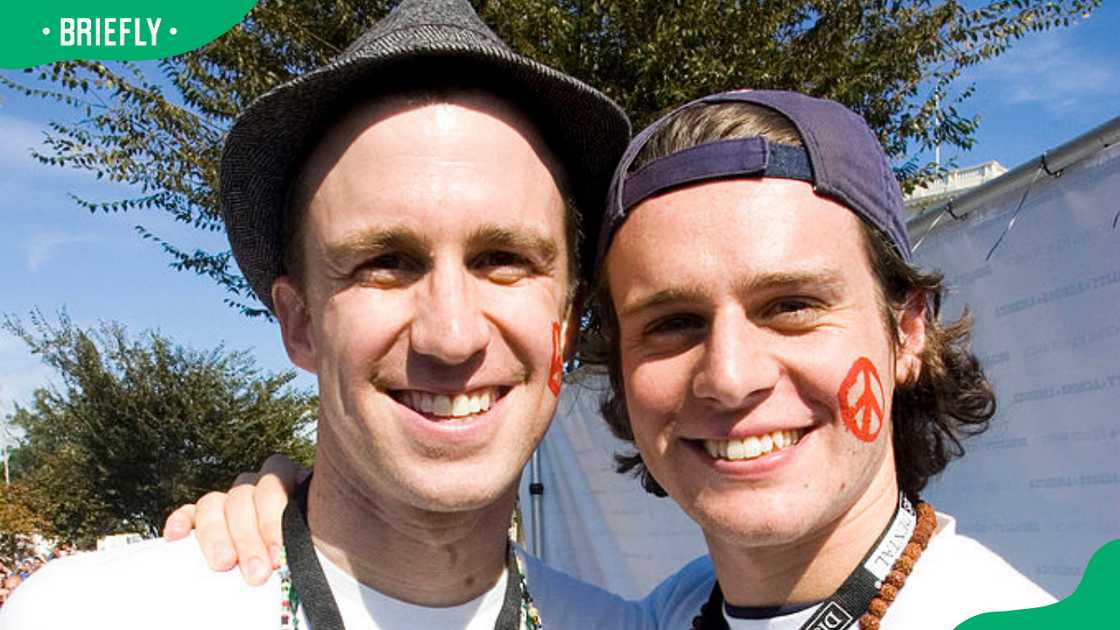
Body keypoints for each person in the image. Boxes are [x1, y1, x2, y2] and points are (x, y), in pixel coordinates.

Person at [172, 91, 1055, 629]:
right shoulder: (645, 621)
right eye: (670, 323)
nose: (731, 376)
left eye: (791, 306)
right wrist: (293, 513)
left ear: (908, 333)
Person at [0, 1, 651, 628]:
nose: (452, 336)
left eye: (503, 258)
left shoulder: (631, 628)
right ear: (300, 323)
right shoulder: (91, 614)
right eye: (385, 262)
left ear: (568, 315)